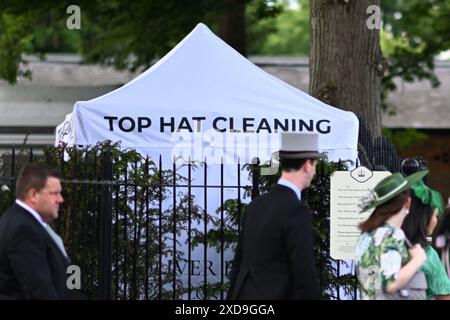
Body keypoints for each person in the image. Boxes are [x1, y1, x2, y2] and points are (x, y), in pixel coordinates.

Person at [227, 132, 323, 300]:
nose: (314, 172)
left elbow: (239, 265)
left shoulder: (255, 205)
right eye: (315, 165)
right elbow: (304, 274)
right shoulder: (296, 211)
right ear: (307, 165)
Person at [0, 163, 83, 299]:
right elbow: (40, 291)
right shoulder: (24, 230)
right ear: (33, 194)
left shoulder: (23, 222)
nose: (60, 199)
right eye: (54, 193)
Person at [355, 171, 428, 300]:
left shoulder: (365, 235)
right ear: (408, 203)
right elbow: (391, 283)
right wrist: (418, 258)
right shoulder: (392, 235)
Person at [402, 189, 450, 300]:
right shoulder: (427, 254)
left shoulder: (385, 243)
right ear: (424, 218)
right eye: (435, 216)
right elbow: (445, 296)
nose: (436, 221)